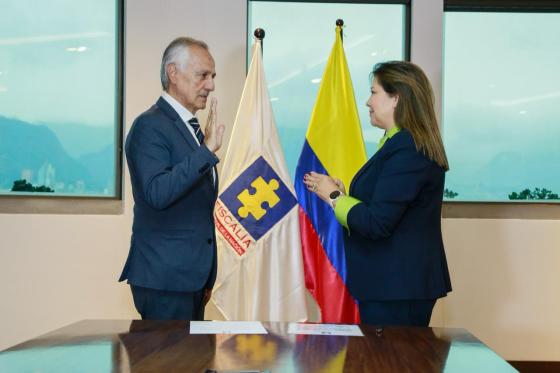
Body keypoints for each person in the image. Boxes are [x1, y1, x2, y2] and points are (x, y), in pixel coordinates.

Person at [304, 61, 451, 326]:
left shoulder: (408, 147)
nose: (367, 102)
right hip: (389, 284)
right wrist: (342, 194)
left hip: (396, 287)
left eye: (374, 92)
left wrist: (334, 197)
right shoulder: (397, 143)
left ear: (396, 98)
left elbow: (378, 223)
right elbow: (384, 206)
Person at [119, 37, 225, 320]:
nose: (211, 85)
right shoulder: (149, 125)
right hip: (165, 280)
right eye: (203, 75)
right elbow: (157, 192)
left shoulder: (190, 127)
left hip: (191, 280)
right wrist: (205, 153)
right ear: (173, 73)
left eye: (212, 76)